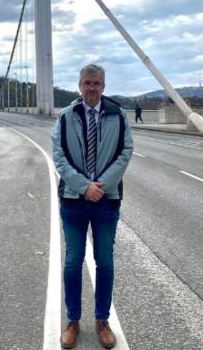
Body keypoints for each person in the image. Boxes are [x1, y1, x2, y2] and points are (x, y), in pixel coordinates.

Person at [52, 64, 133, 349]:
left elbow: (126, 152)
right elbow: (59, 156)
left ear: (103, 86)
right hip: (74, 201)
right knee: (73, 262)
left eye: (96, 83)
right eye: (87, 83)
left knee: (105, 262)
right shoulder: (65, 117)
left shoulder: (118, 116)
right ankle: (73, 320)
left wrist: (101, 186)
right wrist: (84, 186)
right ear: (79, 85)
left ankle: (102, 321)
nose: (92, 88)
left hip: (106, 201)